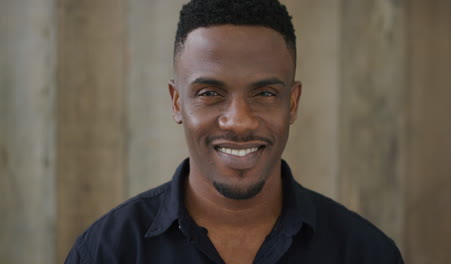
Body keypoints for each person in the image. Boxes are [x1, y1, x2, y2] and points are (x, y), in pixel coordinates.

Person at [65, 0, 404, 263]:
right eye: (210, 93)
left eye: (265, 93)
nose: (239, 122)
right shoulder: (105, 253)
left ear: (293, 103)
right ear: (176, 102)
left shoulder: (366, 253)